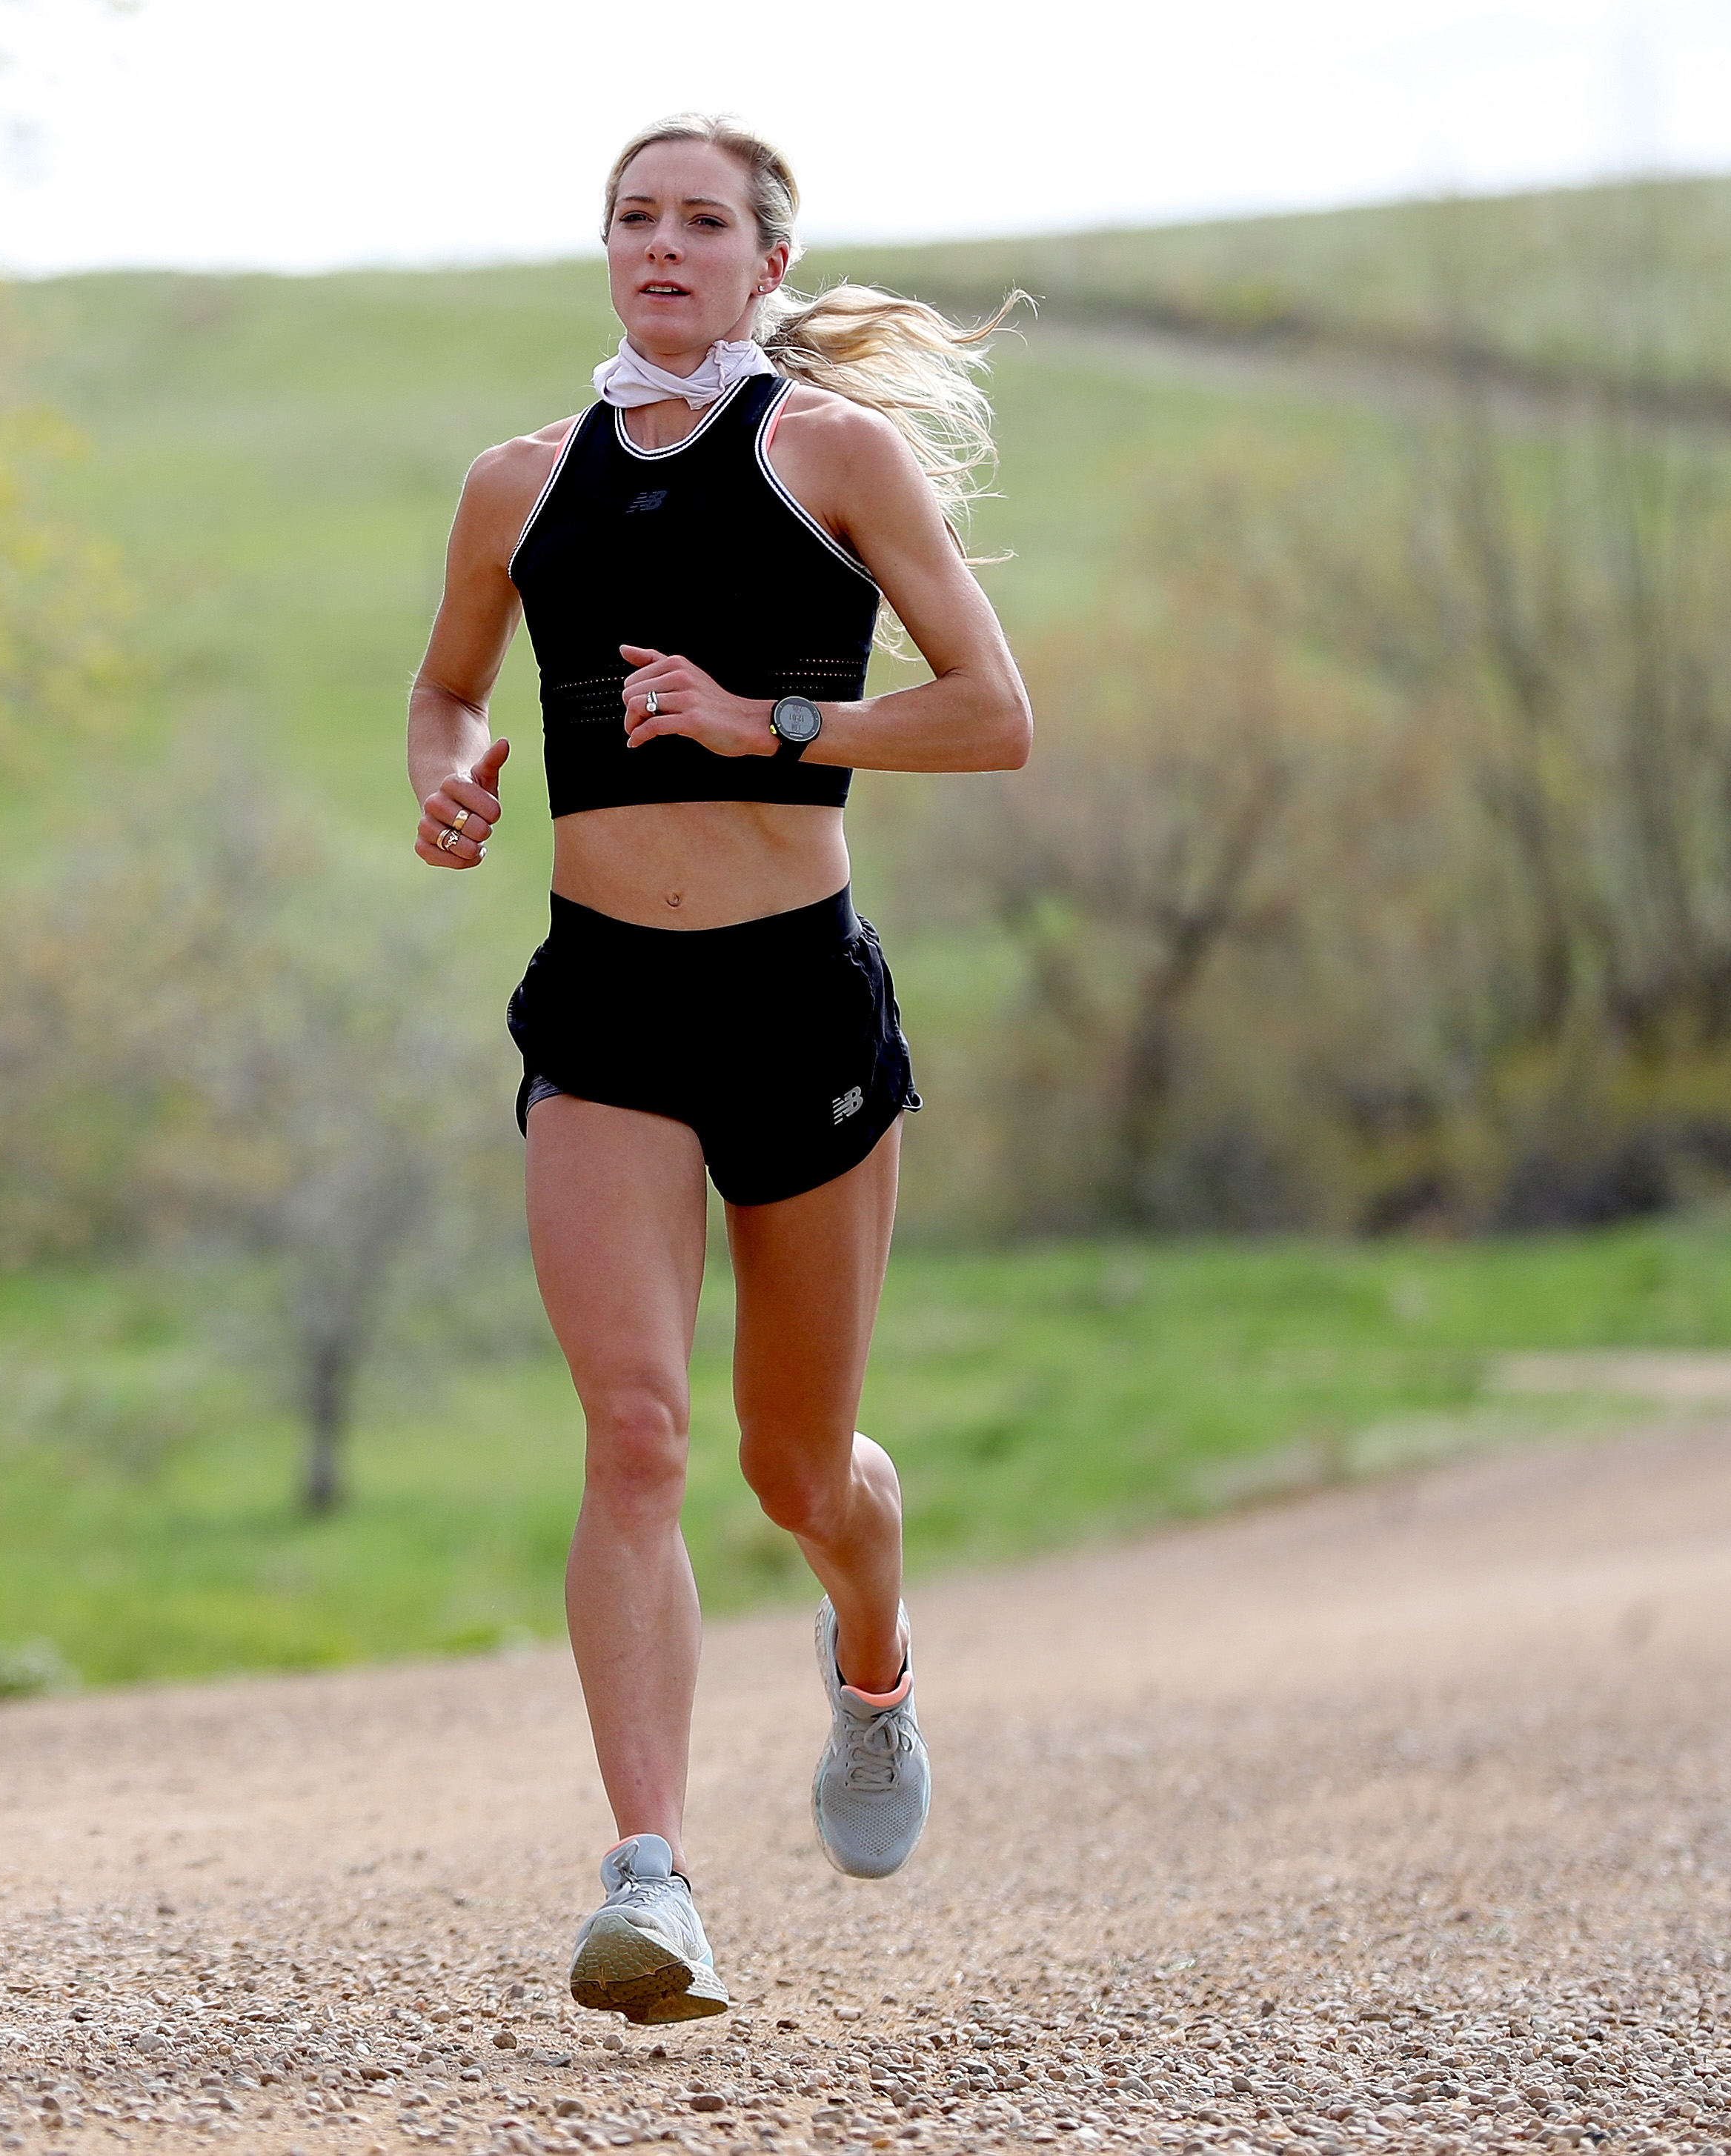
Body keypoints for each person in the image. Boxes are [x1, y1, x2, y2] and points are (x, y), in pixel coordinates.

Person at [406, 113, 1031, 2024]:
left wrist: (772, 721)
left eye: (702, 224)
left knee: (787, 1465)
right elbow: (445, 683)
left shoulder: (832, 454)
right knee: (635, 1433)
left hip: (795, 1002)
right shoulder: (518, 487)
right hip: (604, 1003)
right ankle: (651, 1879)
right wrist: (445, 767)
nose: (662, 248)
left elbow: (994, 716)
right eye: (633, 219)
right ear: (603, 253)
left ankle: (873, 1650)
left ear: (767, 265)